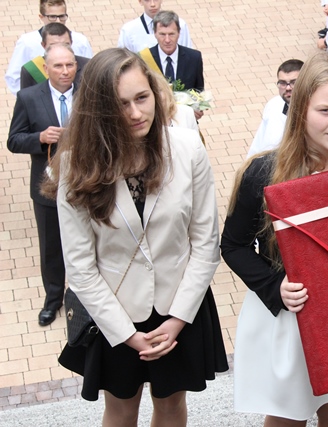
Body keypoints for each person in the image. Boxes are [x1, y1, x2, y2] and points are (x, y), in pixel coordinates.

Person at [43, 48, 228, 425]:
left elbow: (206, 243)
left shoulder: (187, 148)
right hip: (115, 309)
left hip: (179, 303)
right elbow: (80, 268)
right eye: (120, 105)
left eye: (142, 98)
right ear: (98, 111)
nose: (135, 113)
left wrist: (178, 319)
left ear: (155, 94)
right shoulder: (77, 166)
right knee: (121, 408)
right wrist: (126, 334)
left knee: (172, 405)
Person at [221, 51, 328, 427]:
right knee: (286, 418)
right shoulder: (262, 172)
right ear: (301, 110)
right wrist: (275, 285)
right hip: (290, 317)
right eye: (325, 111)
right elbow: (232, 245)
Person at [7, 43, 78, 327]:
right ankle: (53, 300)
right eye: (58, 66)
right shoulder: (28, 97)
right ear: (46, 68)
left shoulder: (89, 93)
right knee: (51, 247)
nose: (65, 71)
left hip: (86, 182)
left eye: (70, 65)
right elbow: (14, 140)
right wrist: (39, 137)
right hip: (48, 184)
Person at [5, 0, 92, 95]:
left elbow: (91, 72)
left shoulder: (81, 40)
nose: (58, 21)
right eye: (52, 17)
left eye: (61, 16)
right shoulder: (27, 42)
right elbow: (14, 78)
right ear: (41, 17)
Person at [146, 10, 204, 119]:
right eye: (162, 34)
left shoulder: (194, 58)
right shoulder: (144, 60)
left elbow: (198, 89)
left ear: (179, 33)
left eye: (171, 34)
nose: (167, 40)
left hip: (185, 121)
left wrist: (198, 107)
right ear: (155, 33)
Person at [246, 59, 303, 157]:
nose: (288, 88)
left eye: (293, 82)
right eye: (283, 83)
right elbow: (259, 142)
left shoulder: (315, 113)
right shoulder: (273, 105)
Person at [20, 22, 90, 90]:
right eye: (54, 45)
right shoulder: (31, 69)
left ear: (71, 43)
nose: (60, 49)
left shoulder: (87, 65)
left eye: (66, 44)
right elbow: (26, 95)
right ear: (43, 45)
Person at [117, 0, 192, 53]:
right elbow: (122, 60)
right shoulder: (128, 30)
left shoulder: (180, 24)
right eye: (147, 0)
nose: (152, 4)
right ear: (140, 1)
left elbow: (188, 53)